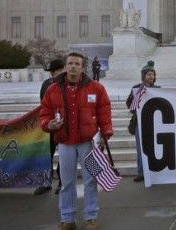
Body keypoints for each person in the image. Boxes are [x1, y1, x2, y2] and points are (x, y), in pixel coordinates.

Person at [39, 53, 113, 230]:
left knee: (90, 180)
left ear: (82, 67)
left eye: (77, 64)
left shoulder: (96, 88)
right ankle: (67, 218)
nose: (73, 66)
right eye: (70, 63)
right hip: (65, 142)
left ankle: (91, 217)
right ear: (65, 67)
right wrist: (48, 124)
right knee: (66, 182)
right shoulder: (53, 89)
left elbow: (104, 111)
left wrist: (106, 133)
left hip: (89, 142)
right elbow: (45, 113)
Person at [33, 58, 65, 196]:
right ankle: (45, 182)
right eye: (54, 71)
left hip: (64, 125)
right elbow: (44, 104)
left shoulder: (69, 83)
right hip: (50, 125)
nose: (56, 73)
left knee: (64, 155)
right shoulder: (46, 84)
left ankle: (62, 182)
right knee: (47, 155)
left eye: (58, 70)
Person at [125, 60, 159, 183]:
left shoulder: (159, 89)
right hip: (140, 123)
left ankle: (155, 171)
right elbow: (129, 103)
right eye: (148, 74)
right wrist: (137, 110)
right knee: (141, 149)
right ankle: (141, 173)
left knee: (155, 148)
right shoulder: (136, 89)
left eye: (152, 74)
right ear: (144, 76)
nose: (151, 76)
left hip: (155, 124)